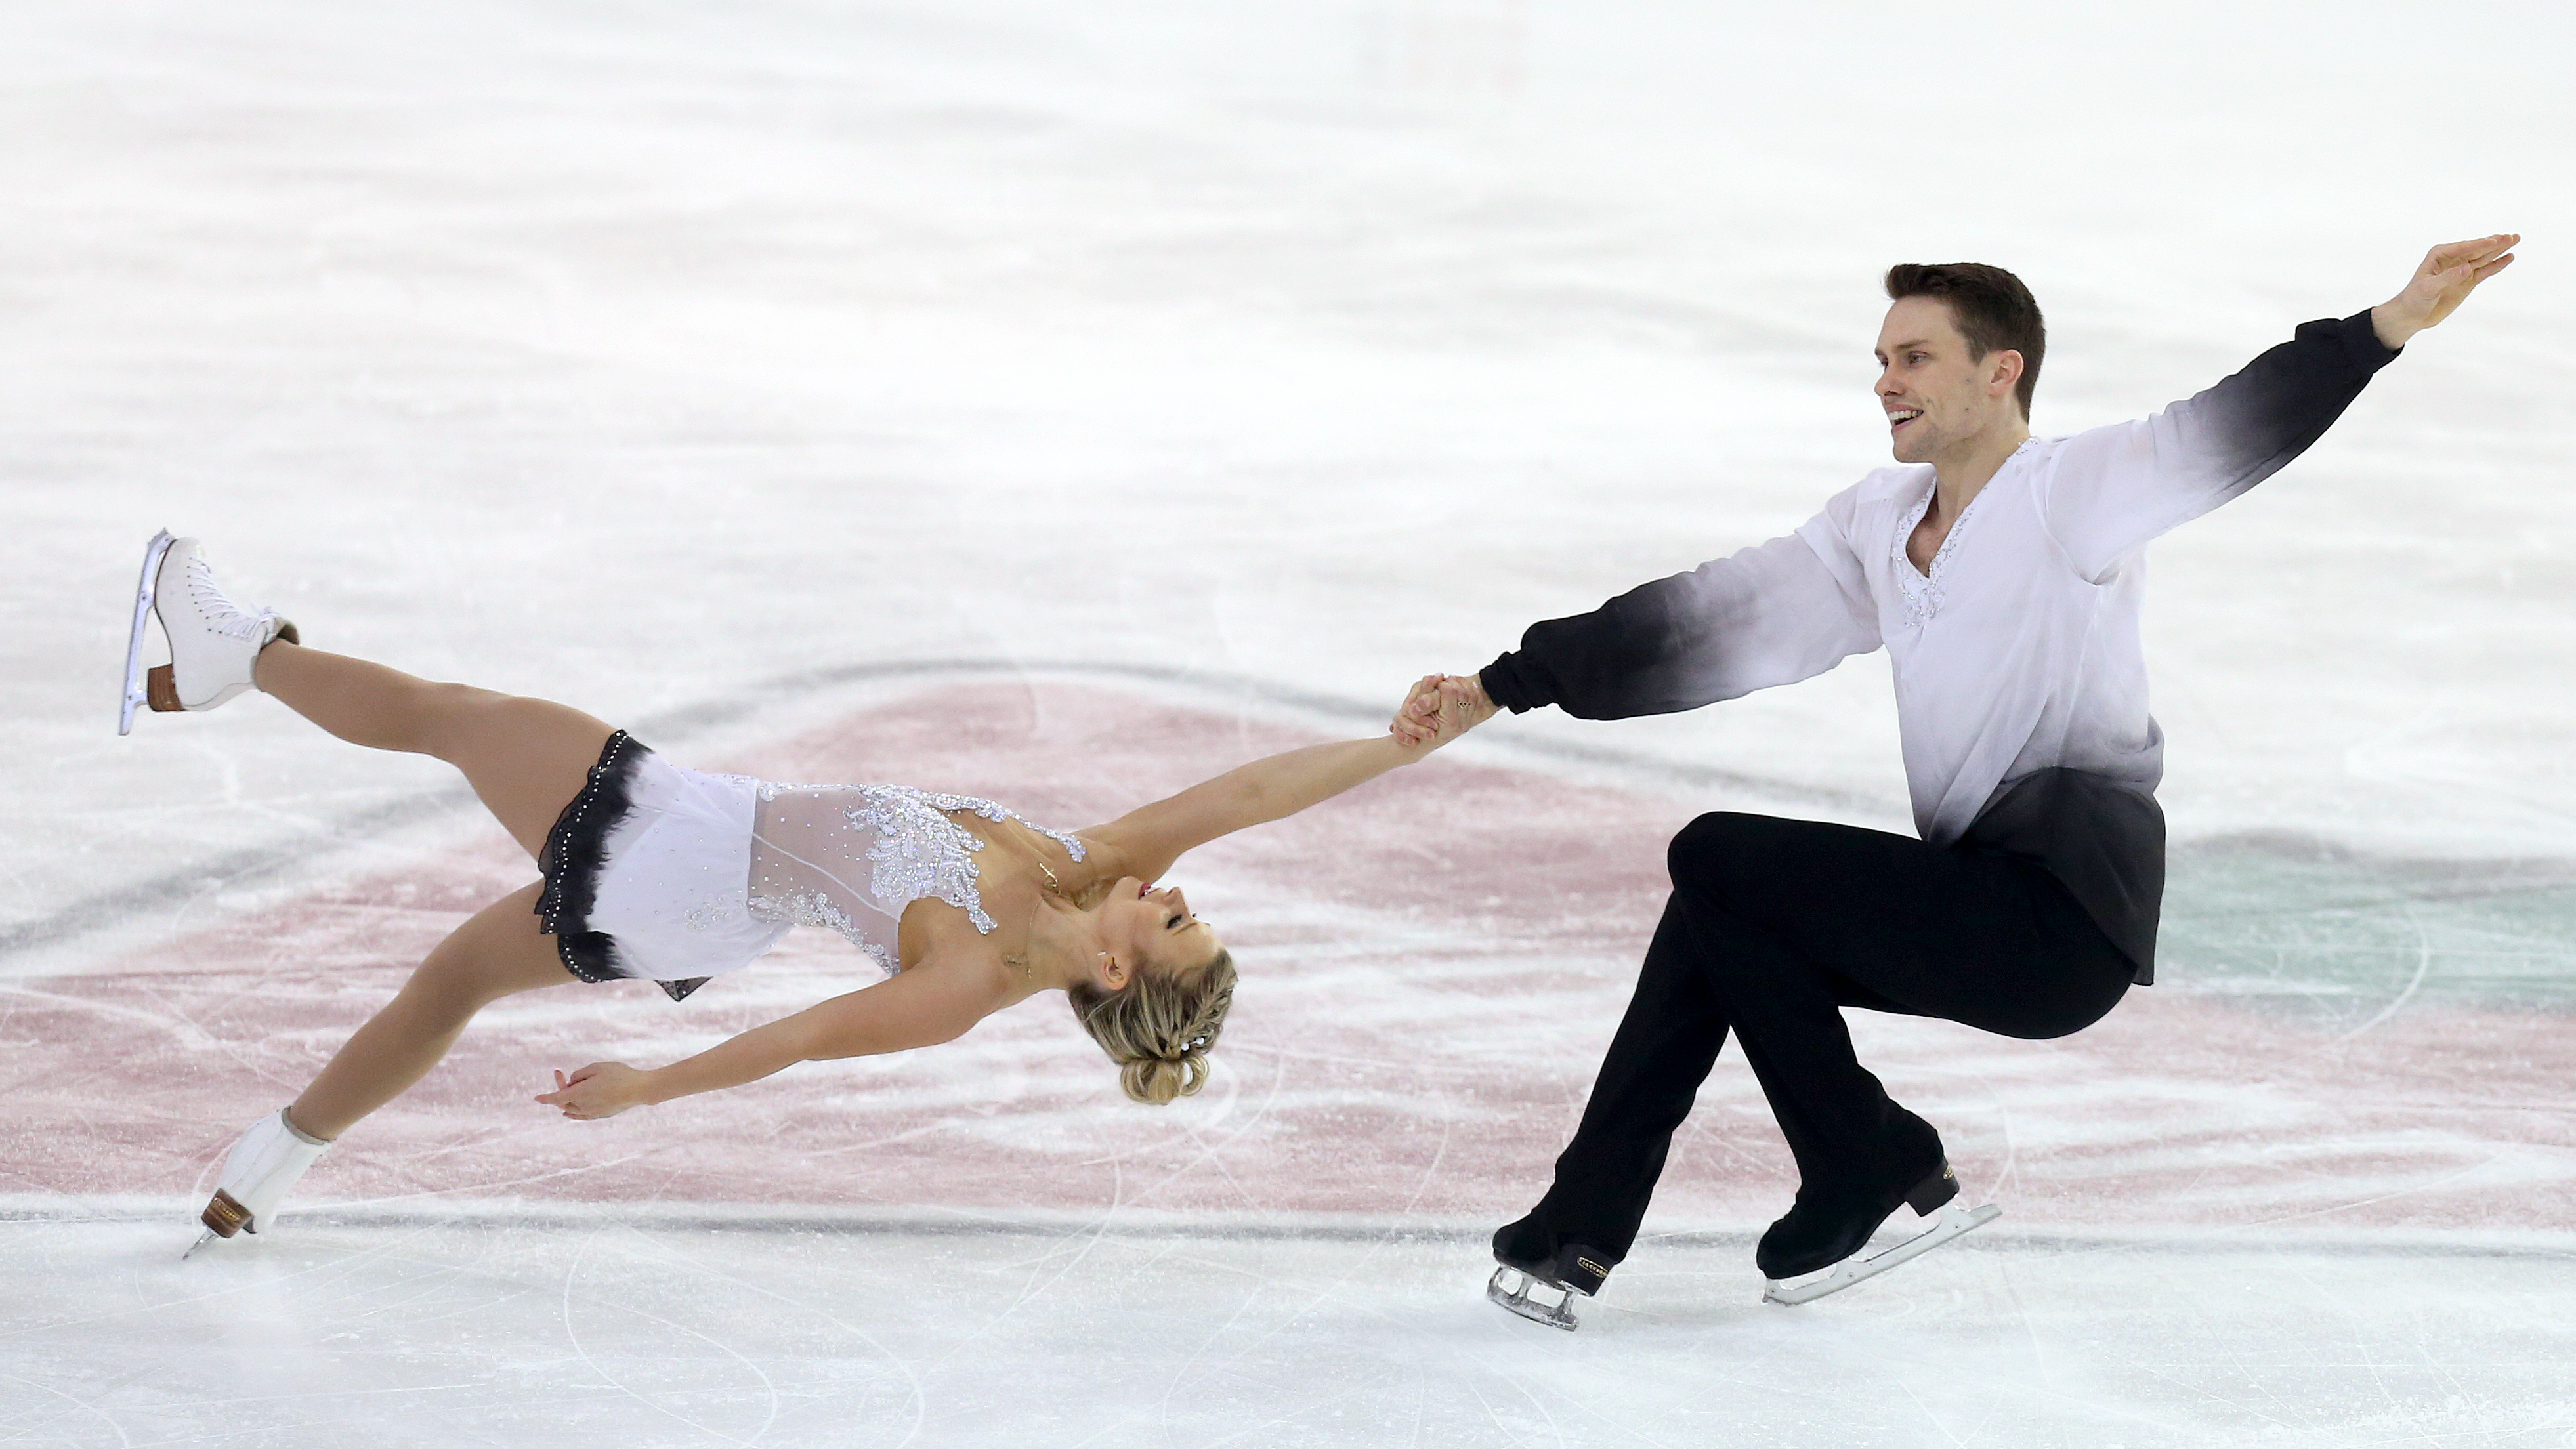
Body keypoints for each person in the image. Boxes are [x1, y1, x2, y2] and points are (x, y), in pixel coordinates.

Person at [1393, 235, 2520, 1318]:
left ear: (2000, 370)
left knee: (1718, 856)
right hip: (1971, 896)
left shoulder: (2070, 494)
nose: (1884, 380)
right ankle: (1585, 1222)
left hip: (2064, 917)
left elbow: (2228, 424)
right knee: (1713, 911)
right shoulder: (1876, 528)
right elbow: (1707, 619)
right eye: (1880, 360)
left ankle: (1858, 1157)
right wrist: (1508, 681)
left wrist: (2384, 329)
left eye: (1913, 357)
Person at [131, 537, 1474, 1247]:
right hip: (710, 865)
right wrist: (1397, 745)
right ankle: (273, 1162)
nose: (1172, 893)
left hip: (690, 857)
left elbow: (800, 1040)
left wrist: (651, 1087)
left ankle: (242, 651)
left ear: (1119, 971)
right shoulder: (1088, 866)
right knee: (459, 978)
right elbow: (1244, 799)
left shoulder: (972, 979)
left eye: (1174, 922)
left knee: (457, 714)